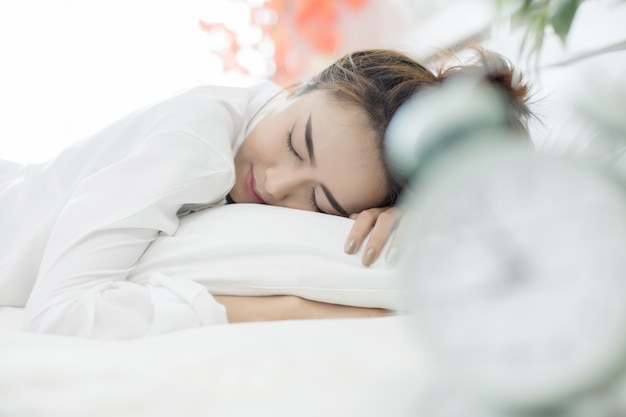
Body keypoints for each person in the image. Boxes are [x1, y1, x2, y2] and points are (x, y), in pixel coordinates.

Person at [0, 48, 533, 339]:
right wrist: (287, 309)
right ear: (303, 85)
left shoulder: (328, 157)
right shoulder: (196, 140)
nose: (275, 185)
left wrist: (414, 210)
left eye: (319, 203)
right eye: (295, 144)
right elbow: (59, 313)